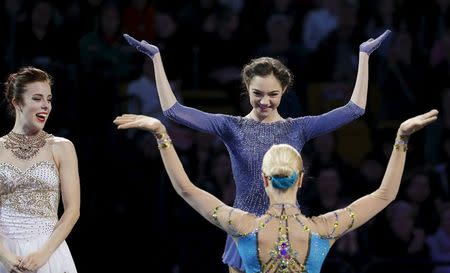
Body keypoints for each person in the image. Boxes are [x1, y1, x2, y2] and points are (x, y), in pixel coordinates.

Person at [123, 29, 391, 272]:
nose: (265, 101)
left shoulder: (298, 128)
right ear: (247, 89)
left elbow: (354, 109)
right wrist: (156, 59)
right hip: (244, 230)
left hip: (288, 230)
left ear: (284, 90)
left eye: (273, 94)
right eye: (257, 93)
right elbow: (174, 111)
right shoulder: (231, 126)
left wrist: (364, 56)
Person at [114, 108, 438, 273]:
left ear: (264, 180)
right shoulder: (323, 229)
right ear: (300, 179)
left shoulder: (242, 226)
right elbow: (385, 194)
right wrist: (402, 137)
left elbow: (186, 189)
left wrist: (160, 133)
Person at [0, 66, 80, 273]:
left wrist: (43, 255)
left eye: (49, 99)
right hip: (5, 253)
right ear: (17, 102)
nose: (46, 106)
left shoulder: (62, 147)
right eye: (37, 98)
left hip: (48, 253)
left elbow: (72, 211)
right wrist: (5, 256)